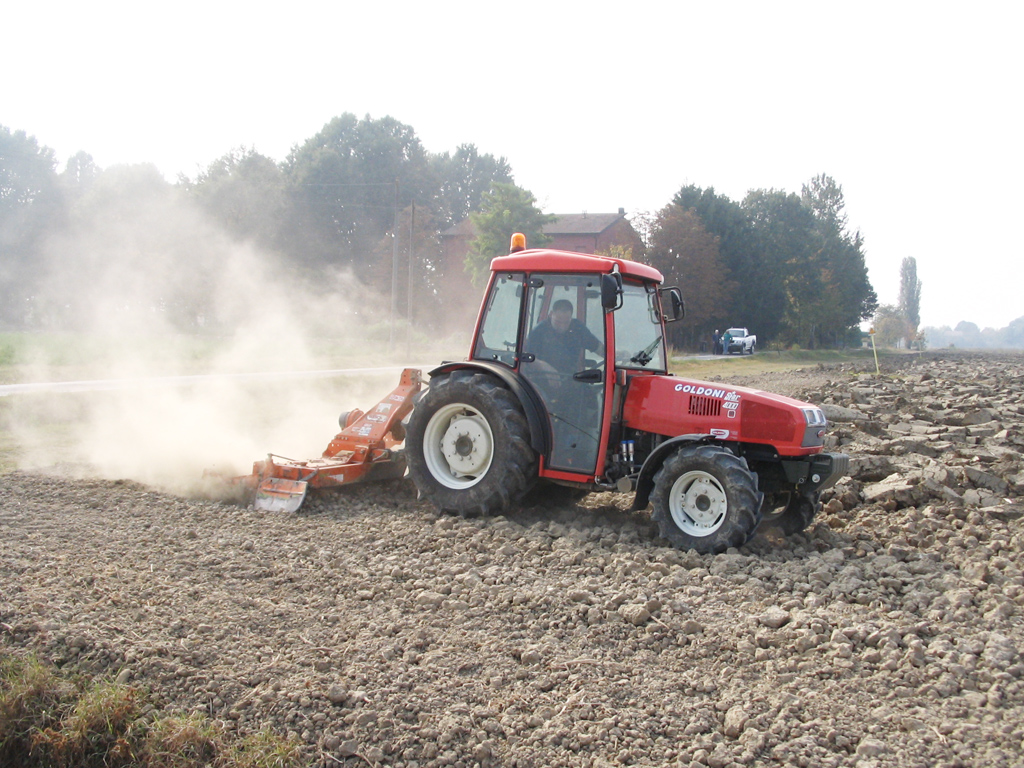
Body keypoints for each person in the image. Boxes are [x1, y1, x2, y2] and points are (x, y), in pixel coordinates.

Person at [525, 299, 604, 376]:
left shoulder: (578, 329)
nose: (562, 327)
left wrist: (613, 356)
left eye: (566, 322)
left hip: (571, 378)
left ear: (571, 317)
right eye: (558, 322)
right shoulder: (538, 331)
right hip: (541, 379)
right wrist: (543, 366)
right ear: (551, 314)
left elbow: (597, 347)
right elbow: (527, 359)